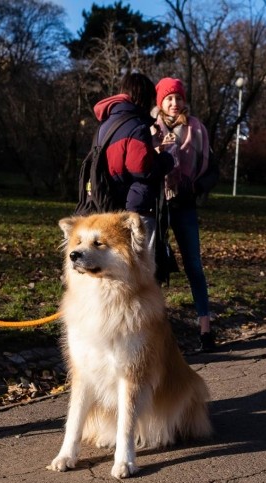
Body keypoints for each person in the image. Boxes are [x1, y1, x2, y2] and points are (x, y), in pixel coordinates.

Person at [151, 77, 215, 352]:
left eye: (178, 97)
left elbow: (213, 169)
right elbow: (143, 164)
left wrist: (196, 186)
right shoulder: (150, 128)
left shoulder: (197, 128)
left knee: (194, 267)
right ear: (160, 102)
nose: (174, 103)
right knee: (154, 269)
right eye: (168, 98)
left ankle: (206, 330)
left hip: (185, 206)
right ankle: (155, 336)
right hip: (157, 207)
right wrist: (159, 151)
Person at [92, 72, 175, 249]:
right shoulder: (136, 125)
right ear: (144, 97)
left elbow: (121, 160)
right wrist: (167, 160)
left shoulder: (107, 123)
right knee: (142, 265)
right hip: (136, 206)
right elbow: (142, 169)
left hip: (106, 203)